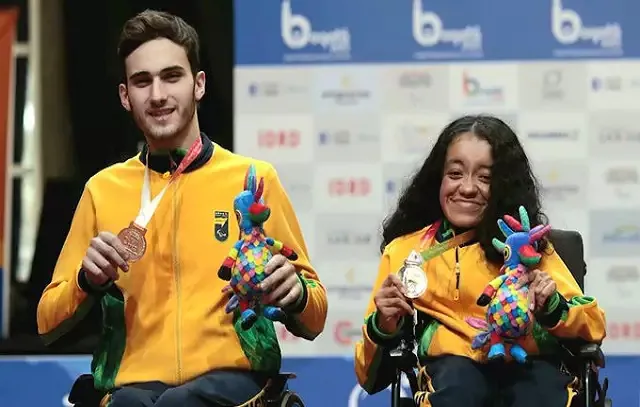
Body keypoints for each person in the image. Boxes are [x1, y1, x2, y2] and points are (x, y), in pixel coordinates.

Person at [36, 10, 327, 407]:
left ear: (199, 85)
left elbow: (315, 316)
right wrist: (86, 281)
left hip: (234, 383)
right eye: (142, 81)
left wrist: (295, 295)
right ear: (125, 97)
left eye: (172, 76)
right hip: (134, 390)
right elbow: (46, 322)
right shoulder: (102, 190)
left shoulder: (254, 181)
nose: (157, 95)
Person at [354, 115, 606, 407]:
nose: (468, 188)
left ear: (503, 185)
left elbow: (593, 326)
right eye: (455, 173)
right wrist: (382, 325)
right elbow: (369, 378)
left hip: (528, 367)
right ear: (439, 178)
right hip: (453, 373)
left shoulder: (524, 247)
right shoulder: (405, 252)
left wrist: (552, 307)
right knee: (459, 390)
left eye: (485, 177)